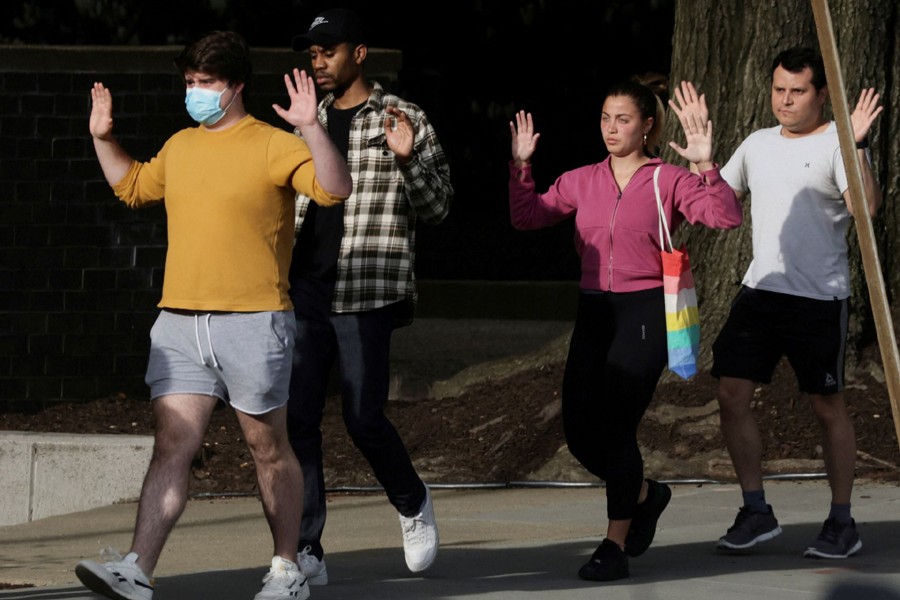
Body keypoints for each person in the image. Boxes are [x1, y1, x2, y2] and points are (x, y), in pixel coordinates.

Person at [75, 30, 352, 600]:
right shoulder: (181, 146)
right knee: (172, 446)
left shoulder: (273, 144)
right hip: (179, 323)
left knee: (267, 448)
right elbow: (131, 187)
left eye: (207, 83)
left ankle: (286, 568)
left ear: (236, 87)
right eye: (189, 83)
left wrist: (311, 127)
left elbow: (335, 187)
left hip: (253, 322)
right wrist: (103, 137)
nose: (195, 92)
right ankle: (137, 568)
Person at [508, 76, 742, 582]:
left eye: (624, 119)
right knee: (578, 431)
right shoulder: (582, 179)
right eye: (605, 118)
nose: (611, 129)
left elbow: (724, 217)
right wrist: (522, 165)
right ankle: (644, 494)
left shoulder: (668, 180)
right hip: (593, 311)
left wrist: (704, 164)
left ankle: (614, 545)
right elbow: (526, 217)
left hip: (645, 315)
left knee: (616, 428)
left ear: (647, 126)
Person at [285, 8, 453, 584]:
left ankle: (411, 501)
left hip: (366, 289)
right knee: (298, 418)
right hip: (305, 288)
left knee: (362, 416)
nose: (318, 61)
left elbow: (438, 208)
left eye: (328, 50)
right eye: (312, 53)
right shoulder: (306, 122)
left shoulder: (402, 118)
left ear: (359, 53)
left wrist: (406, 160)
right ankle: (307, 545)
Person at [709, 46, 883, 559]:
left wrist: (857, 146)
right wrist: (698, 167)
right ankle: (756, 510)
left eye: (798, 91)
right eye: (779, 90)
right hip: (761, 291)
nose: (785, 100)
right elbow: (717, 200)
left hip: (818, 298)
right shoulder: (757, 143)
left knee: (827, 405)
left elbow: (866, 209)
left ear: (821, 94)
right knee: (730, 393)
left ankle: (842, 521)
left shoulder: (838, 141)